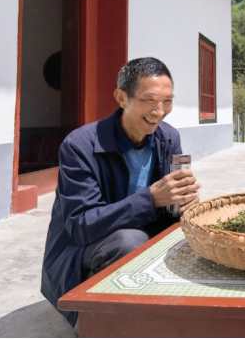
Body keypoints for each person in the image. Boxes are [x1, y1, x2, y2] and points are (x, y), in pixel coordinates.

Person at [41, 57, 200, 327]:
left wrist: (183, 202)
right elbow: (80, 225)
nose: (159, 111)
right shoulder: (80, 145)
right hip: (83, 251)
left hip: (139, 237)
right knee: (129, 241)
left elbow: (170, 211)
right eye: (149, 101)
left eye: (167, 101)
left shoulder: (168, 138)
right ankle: (95, 317)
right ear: (121, 98)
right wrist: (151, 198)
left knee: (196, 234)